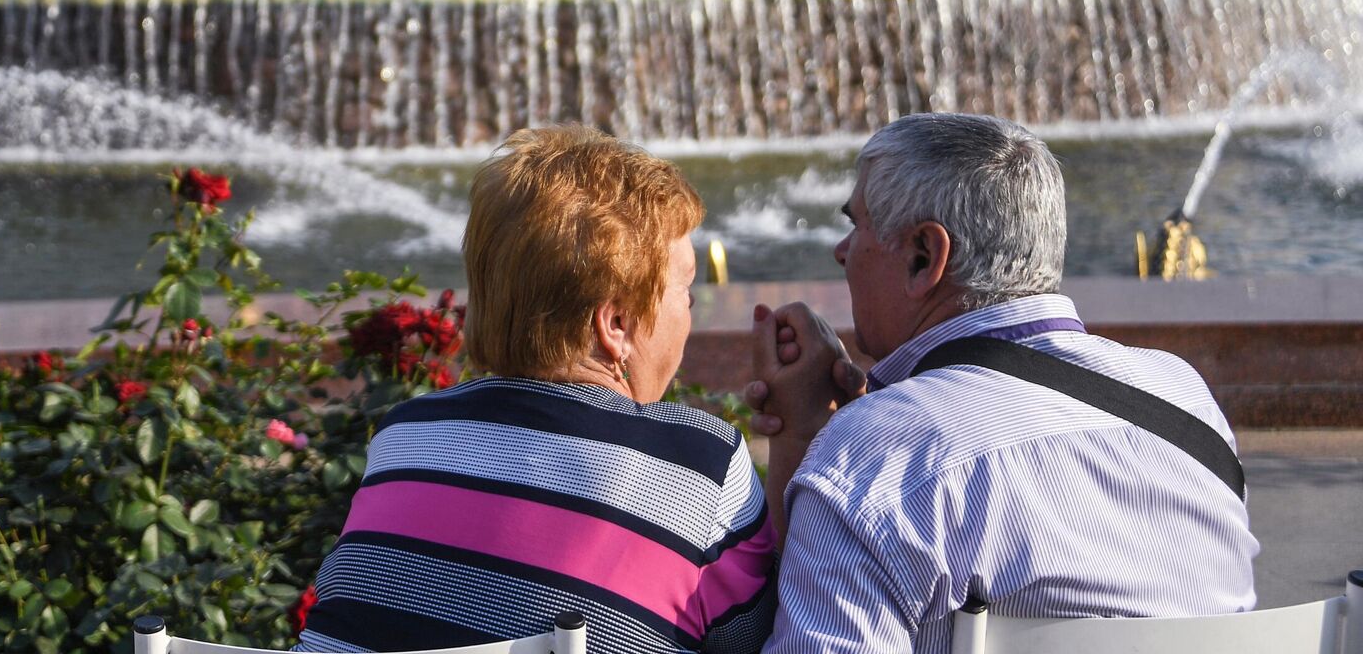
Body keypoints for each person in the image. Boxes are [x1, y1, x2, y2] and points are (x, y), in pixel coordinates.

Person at [747, 113, 1257, 654]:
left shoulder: (878, 459)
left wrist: (823, 443)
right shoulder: (1184, 397)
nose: (842, 250)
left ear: (924, 257)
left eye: (859, 224)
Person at [295, 126, 778, 654]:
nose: (689, 310)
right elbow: (767, 642)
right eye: (684, 289)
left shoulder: (405, 435)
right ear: (616, 323)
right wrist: (800, 433)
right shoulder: (699, 466)